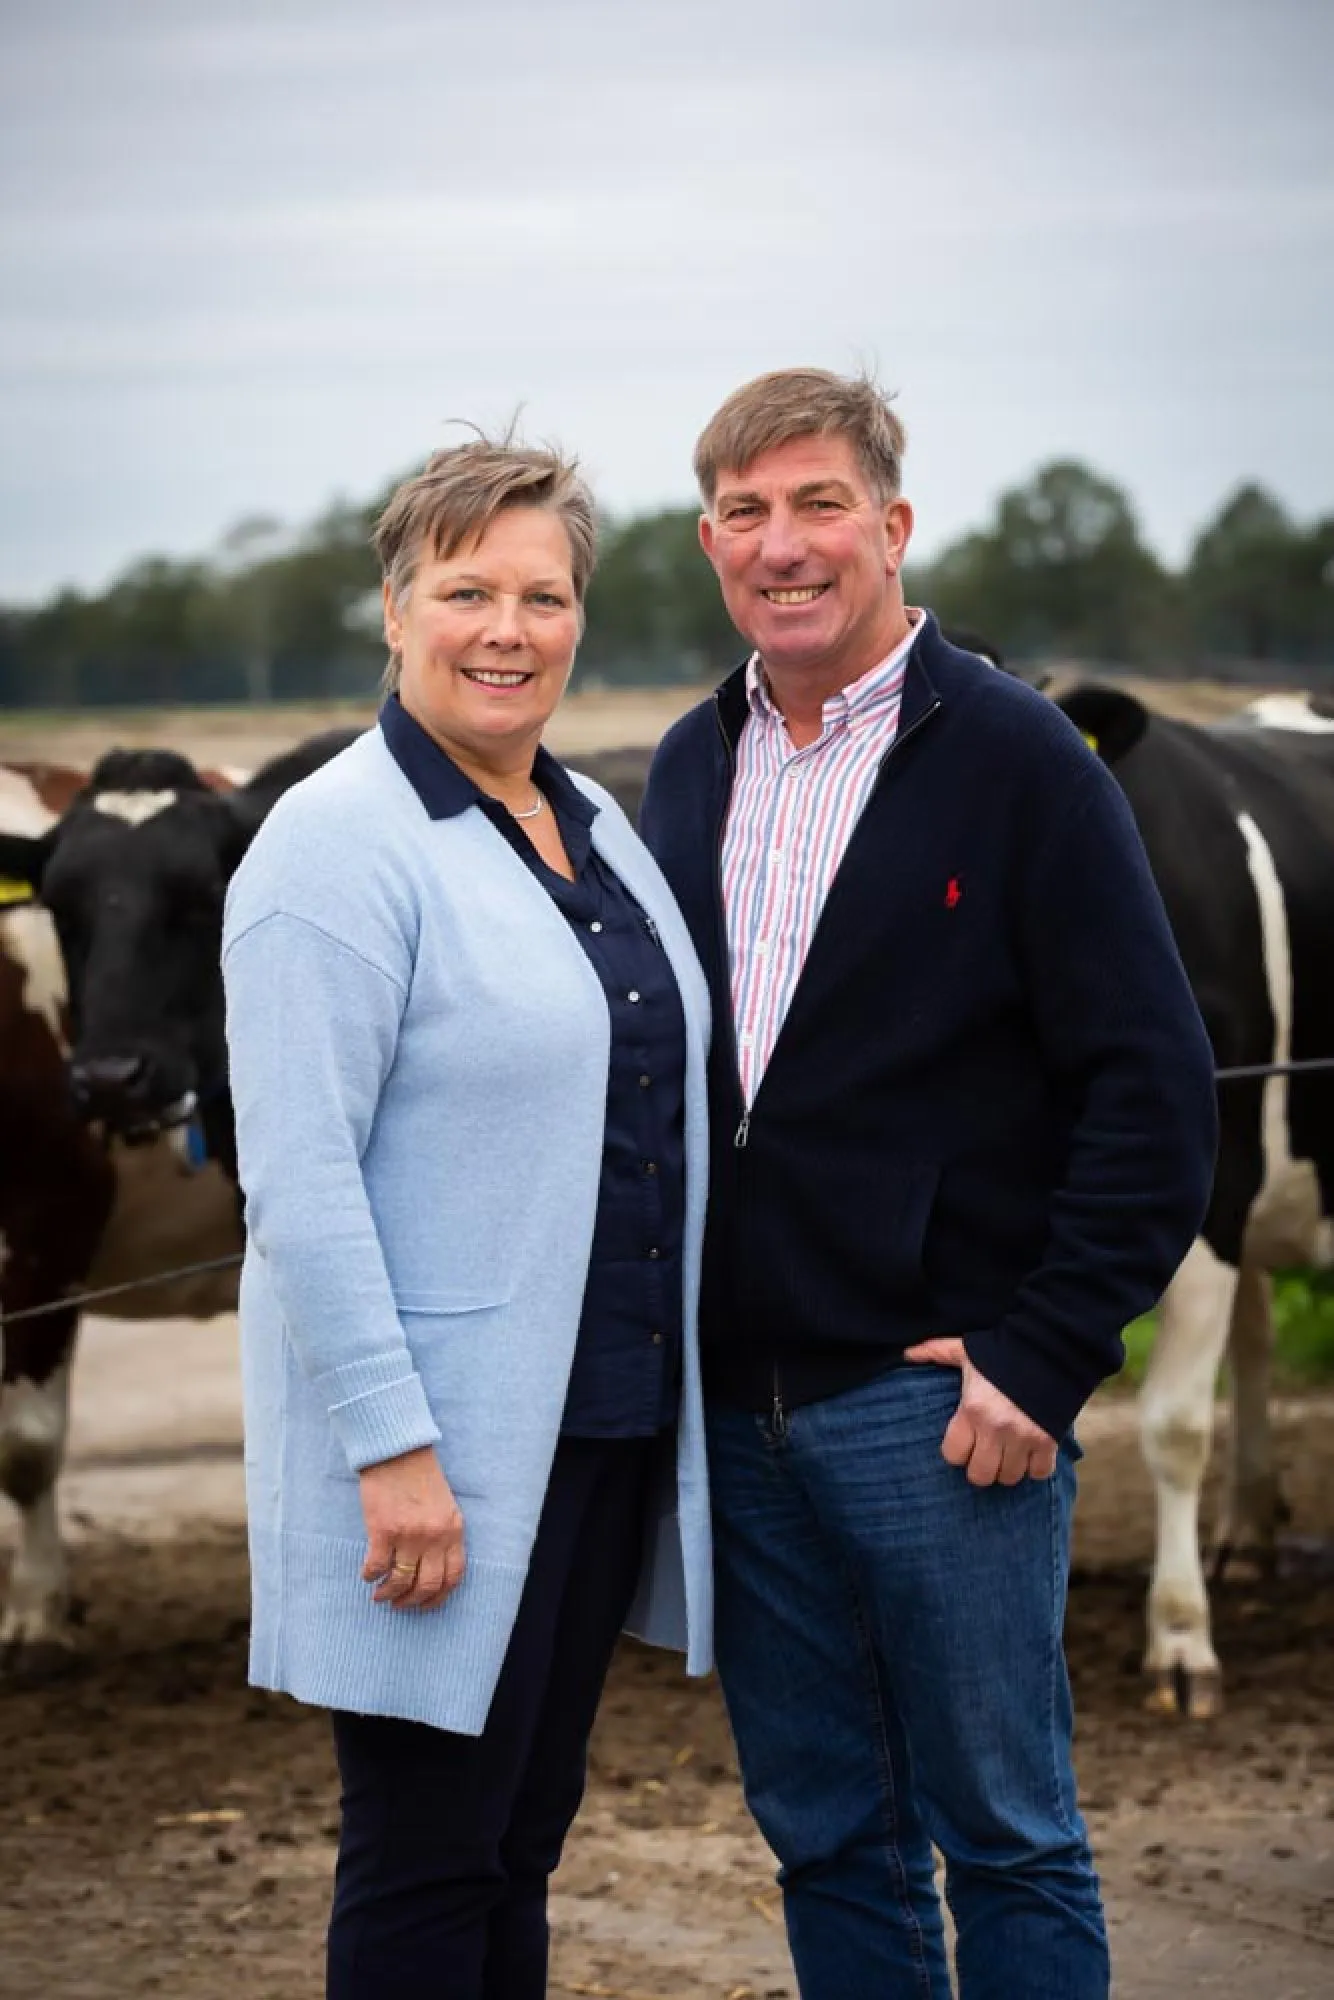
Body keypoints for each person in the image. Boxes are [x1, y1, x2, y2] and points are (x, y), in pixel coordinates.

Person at [639, 368, 1218, 2000]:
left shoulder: (1022, 758)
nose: (783, 544)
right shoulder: (689, 766)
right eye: (745, 514)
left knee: (1007, 1831)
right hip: (742, 1410)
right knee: (826, 1833)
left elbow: (1152, 1089)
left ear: (892, 526)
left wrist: (1044, 1352)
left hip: (936, 1405)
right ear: (706, 544)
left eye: (818, 503)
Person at [221, 435, 713, 2000]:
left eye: (543, 595)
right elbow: (298, 1181)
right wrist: (394, 1452)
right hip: (441, 1458)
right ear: (393, 608)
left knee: (517, 1847)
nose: (507, 628)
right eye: (467, 591)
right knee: (429, 1863)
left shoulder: (593, 823)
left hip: (598, 1430)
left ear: (581, 619)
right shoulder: (333, 845)